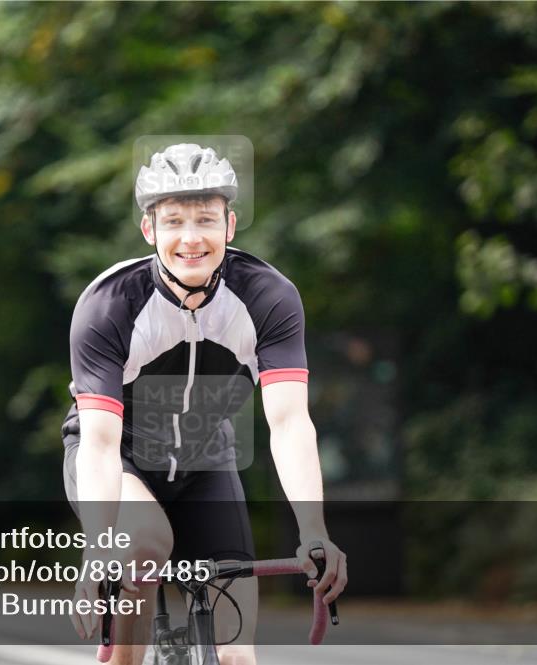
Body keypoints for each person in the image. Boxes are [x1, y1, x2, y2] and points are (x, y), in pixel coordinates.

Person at [61, 143, 347, 665]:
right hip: (119, 461)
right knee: (143, 544)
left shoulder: (267, 296)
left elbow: (288, 423)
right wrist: (99, 548)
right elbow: (99, 444)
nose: (191, 238)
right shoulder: (109, 304)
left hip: (206, 460)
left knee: (237, 656)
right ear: (149, 231)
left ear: (230, 225)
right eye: (173, 221)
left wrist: (313, 530)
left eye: (206, 219)